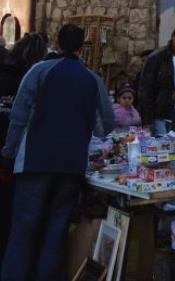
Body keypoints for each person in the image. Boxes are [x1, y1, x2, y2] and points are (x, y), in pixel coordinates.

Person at [1, 24, 114, 281]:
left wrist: (9, 152)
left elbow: (18, 115)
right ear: (81, 46)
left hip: (35, 161)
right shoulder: (92, 78)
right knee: (56, 229)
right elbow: (106, 123)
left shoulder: (39, 71)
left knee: (24, 229)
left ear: (58, 42)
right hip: (71, 165)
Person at [0, 33, 47, 271]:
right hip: (15, 153)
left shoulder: (4, 71)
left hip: (8, 149)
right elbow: (21, 120)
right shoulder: (32, 78)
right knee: (11, 213)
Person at [138, 24, 175, 133]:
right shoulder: (156, 58)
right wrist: (148, 120)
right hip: (159, 116)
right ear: (173, 37)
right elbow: (145, 90)